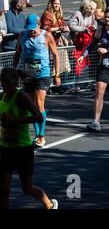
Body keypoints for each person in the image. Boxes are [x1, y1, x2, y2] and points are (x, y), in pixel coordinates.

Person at [0, 67, 58, 209]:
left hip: (22, 149)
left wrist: (15, 121)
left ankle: (50, 205)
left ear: (15, 81)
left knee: (27, 188)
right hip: (5, 148)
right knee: (4, 190)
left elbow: (38, 116)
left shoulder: (21, 96)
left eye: (7, 82)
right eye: (2, 82)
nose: (4, 85)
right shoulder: (3, 96)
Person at [13, 14, 61, 148]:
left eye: (33, 28)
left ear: (39, 25)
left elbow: (55, 54)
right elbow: (17, 53)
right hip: (28, 75)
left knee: (39, 104)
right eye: (29, 29)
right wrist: (14, 70)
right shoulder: (22, 36)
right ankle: (36, 134)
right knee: (30, 105)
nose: (32, 31)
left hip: (43, 75)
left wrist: (57, 74)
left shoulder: (47, 36)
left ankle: (41, 136)